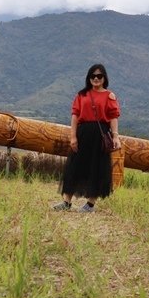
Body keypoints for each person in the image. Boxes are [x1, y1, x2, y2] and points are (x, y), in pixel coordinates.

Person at [53, 64, 121, 212]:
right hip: (82, 134)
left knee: (98, 167)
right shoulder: (81, 94)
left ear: (104, 78)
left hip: (101, 135)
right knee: (74, 166)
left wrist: (115, 137)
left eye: (99, 76)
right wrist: (73, 136)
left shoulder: (110, 96)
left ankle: (90, 205)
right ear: (89, 78)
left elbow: (113, 117)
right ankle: (66, 202)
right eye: (93, 76)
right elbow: (75, 115)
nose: (96, 79)